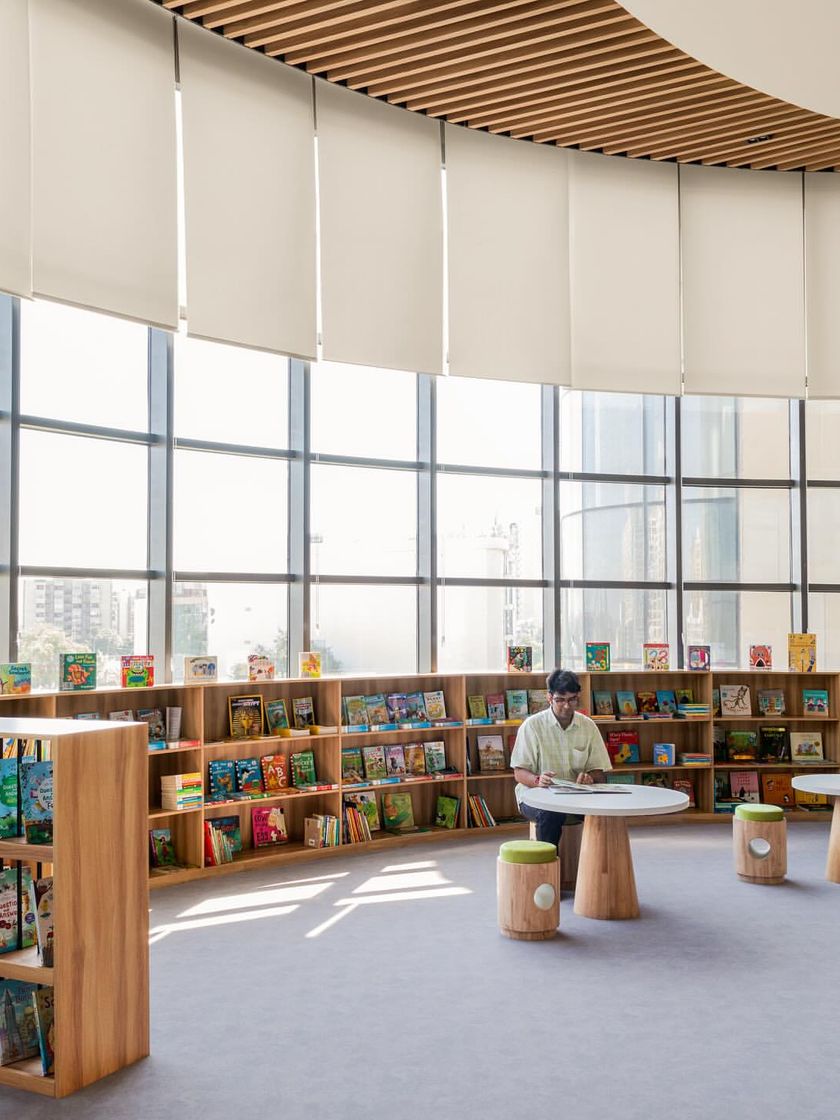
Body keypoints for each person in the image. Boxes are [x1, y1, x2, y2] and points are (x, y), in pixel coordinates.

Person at [510, 668, 612, 849]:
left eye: (572, 699)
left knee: (605, 814)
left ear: (578, 697)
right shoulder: (532, 726)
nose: (566, 706)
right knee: (551, 813)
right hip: (537, 795)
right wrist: (538, 780)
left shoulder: (588, 726)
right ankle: (548, 864)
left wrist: (590, 778)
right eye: (560, 700)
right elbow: (519, 772)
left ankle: (597, 864)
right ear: (549, 697)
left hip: (577, 795)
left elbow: (599, 773)